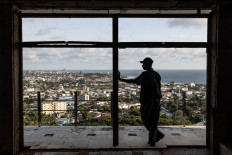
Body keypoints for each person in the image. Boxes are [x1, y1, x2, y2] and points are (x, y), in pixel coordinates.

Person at [118, 57, 164, 146]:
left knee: (145, 119)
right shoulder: (157, 74)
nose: (142, 66)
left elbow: (134, 81)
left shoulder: (145, 74)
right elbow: (159, 87)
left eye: (143, 64)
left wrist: (120, 79)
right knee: (154, 120)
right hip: (157, 100)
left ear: (147, 64)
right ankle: (153, 139)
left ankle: (156, 136)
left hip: (147, 101)